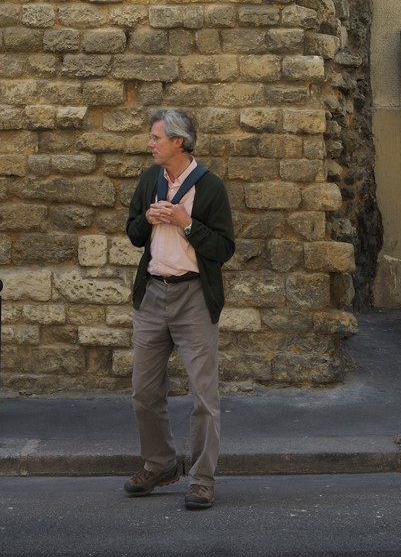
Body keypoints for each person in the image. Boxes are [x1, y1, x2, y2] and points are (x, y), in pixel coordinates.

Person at [123, 107, 235, 511]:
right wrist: (148, 220)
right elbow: (133, 232)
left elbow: (223, 249)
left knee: (204, 397)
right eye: (151, 138)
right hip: (153, 293)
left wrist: (187, 223)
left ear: (178, 142)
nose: (149, 145)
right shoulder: (150, 179)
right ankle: (161, 464)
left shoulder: (210, 187)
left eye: (156, 138)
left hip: (192, 298)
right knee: (144, 392)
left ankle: (202, 478)